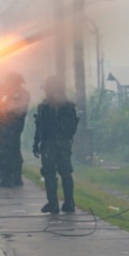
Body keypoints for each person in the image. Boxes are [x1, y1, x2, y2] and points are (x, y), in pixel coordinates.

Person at [32, 75, 79, 214]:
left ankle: (53, 204)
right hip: (64, 143)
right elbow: (73, 127)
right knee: (66, 172)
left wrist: (36, 143)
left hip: (49, 144)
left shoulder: (44, 107)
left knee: (49, 173)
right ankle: (69, 202)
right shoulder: (69, 106)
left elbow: (40, 127)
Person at [0, 73, 29, 187]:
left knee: (6, 151)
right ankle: (11, 175)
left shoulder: (20, 94)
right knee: (6, 150)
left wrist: (2, 107)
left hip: (12, 126)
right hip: (9, 126)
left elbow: (12, 109)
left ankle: (9, 178)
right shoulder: (12, 94)